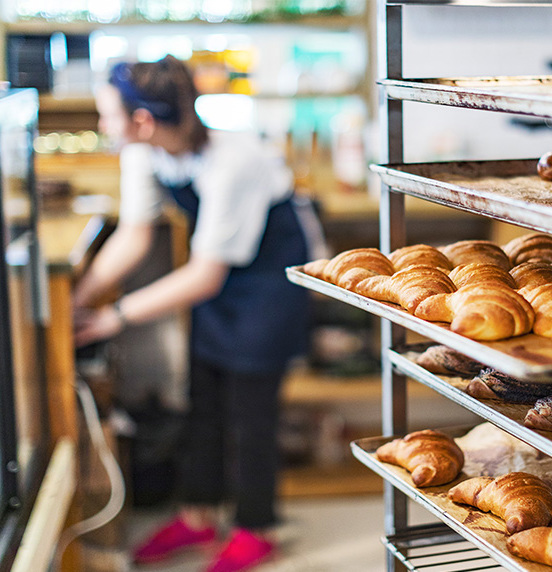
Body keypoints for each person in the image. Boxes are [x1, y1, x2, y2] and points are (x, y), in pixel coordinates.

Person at [73, 55, 313, 572]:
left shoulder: (235, 161)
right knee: (202, 402)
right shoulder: (144, 149)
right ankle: (198, 515)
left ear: (141, 120)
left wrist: (115, 316)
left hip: (270, 281)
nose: (101, 125)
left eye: (106, 114)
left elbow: (205, 275)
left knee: (251, 414)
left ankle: (257, 527)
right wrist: (79, 296)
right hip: (221, 277)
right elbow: (135, 234)